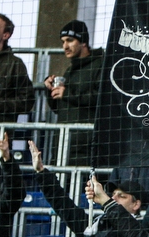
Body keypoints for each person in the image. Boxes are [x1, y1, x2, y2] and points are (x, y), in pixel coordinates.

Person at [44, 19, 105, 166]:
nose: (65, 46)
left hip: (88, 149)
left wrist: (67, 94)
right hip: (64, 146)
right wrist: (51, 91)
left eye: (70, 40)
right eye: (63, 42)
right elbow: (59, 109)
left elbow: (102, 99)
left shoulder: (101, 64)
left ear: (83, 42)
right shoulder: (70, 70)